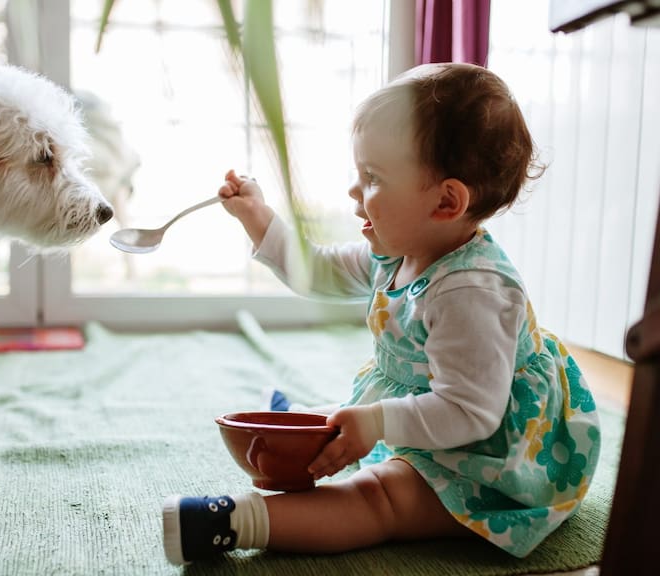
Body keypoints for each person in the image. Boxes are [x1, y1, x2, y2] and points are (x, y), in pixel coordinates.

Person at [161, 62, 601, 565]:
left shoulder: (473, 292)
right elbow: (319, 270)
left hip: (492, 460)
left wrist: (376, 422)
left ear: (446, 201)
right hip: (433, 419)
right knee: (337, 428)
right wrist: (258, 218)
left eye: (372, 177)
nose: (354, 191)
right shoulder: (399, 252)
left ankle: (233, 523)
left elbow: (470, 413)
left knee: (379, 498)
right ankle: (310, 424)